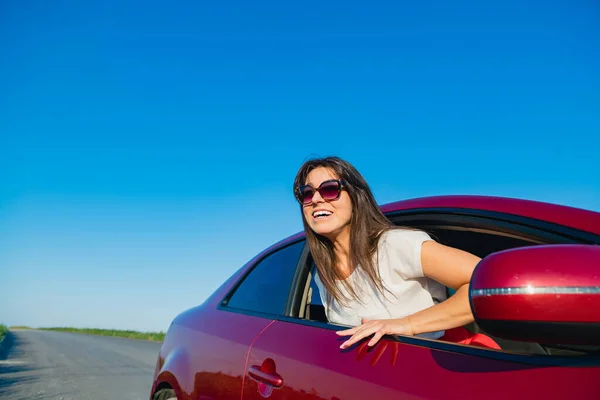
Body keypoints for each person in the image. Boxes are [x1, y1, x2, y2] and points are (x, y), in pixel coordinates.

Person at [293, 156, 480, 350]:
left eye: (329, 189)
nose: (315, 199)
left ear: (356, 197)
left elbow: (485, 284)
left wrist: (408, 324)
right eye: (306, 194)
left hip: (434, 365)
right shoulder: (321, 274)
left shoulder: (394, 244)